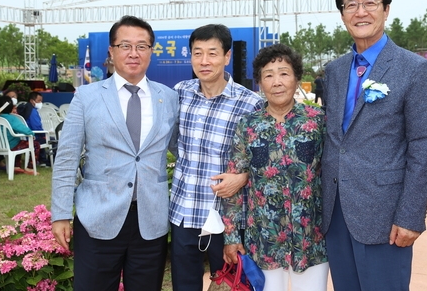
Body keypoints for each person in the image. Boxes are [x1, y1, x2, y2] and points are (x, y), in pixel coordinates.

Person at [322, 0, 427, 291]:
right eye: (351, 5)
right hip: (335, 213)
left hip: (385, 215)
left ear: (386, 9)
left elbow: (423, 147)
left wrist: (412, 216)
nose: (361, 12)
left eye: (370, 3)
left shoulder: (414, 69)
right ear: (343, 14)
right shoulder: (333, 71)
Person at [51, 15, 179, 291]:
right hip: (97, 216)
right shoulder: (87, 97)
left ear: (151, 51)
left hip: (150, 220)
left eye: (142, 46)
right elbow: (66, 159)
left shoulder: (168, 97)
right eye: (125, 45)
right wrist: (60, 213)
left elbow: (181, 150)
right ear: (111, 51)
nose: (134, 53)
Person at [222, 44, 328, 291]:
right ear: (259, 83)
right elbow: (233, 183)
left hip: (311, 241)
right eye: (268, 75)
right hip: (263, 242)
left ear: (296, 78)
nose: (277, 82)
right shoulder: (247, 126)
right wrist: (231, 236)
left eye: (284, 73)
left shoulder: (317, 120)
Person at [169, 24, 264, 291]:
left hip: (228, 218)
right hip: (184, 211)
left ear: (227, 56)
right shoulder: (180, 93)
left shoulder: (250, 103)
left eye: (212, 53)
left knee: (234, 285)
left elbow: (264, 158)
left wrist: (244, 176)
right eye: (197, 53)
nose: (204, 61)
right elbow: (173, 143)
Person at [0, 95, 39, 174]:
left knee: (19, 142)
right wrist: (31, 133)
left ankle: (16, 166)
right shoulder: (12, 118)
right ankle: (30, 168)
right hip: (12, 145)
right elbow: (23, 129)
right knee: (35, 145)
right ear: (11, 107)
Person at [17, 91, 51, 167]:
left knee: (42, 137)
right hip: (33, 136)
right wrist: (44, 134)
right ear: (32, 101)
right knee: (52, 139)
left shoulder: (23, 109)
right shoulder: (32, 111)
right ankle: (48, 161)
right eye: (39, 101)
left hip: (24, 137)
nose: (40, 103)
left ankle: (41, 159)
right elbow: (37, 127)